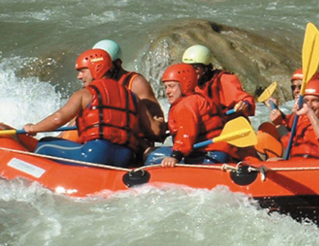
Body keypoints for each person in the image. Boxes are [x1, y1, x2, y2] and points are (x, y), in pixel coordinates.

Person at [24, 49, 163, 167]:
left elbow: (58, 118)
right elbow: (155, 130)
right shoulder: (132, 96)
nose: (79, 76)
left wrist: (34, 128)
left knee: (44, 145)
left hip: (95, 153)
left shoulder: (85, 94)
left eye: (83, 71)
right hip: (124, 157)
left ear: (96, 69)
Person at [145, 63, 229, 167]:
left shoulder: (186, 104)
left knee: (151, 156)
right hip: (217, 152)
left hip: (209, 156)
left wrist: (175, 156)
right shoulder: (197, 98)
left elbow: (187, 132)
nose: (167, 92)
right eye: (166, 87)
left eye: (171, 86)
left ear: (186, 84)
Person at [267, 78, 319, 159]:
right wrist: (277, 120)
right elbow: (290, 143)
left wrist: (309, 112)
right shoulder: (301, 119)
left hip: (317, 167)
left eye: (315, 100)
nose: (309, 105)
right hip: (295, 164)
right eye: (306, 101)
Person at [93, 39, 164, 120]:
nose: (100, 70)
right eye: (96, 66)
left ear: (118, 63)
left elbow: (157, 118)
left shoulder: (136, 83)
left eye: (105, 65)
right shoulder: (93, 84)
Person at [182, 44, 255, 119]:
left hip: (229, 122)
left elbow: (246, 99)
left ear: (205, 68)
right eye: (188, 68)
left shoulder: (223, 79)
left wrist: (245, 104)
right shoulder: (186, 85)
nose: (191, 72)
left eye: (196, 68)